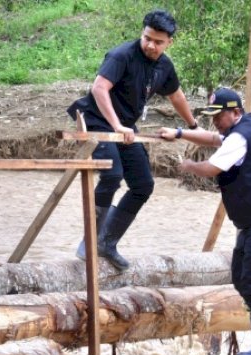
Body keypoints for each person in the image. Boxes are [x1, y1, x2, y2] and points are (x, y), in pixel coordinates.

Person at [159, 88, 251, 355]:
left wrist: (188, 166)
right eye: (212, 116)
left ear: (235, 112)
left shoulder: (240, 137)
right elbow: (214, 138)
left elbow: (212, 168)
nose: (215, 122)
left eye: (219, 116)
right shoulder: (250, 124)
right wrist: (180, 133)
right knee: (242, 278)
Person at [68, 10, 198, 270]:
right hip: (97, 120)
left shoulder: (164, 66)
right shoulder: (122, 55)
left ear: (169, 42)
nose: (150, 45)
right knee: (112, 174)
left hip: (127, 127)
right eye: (147, 38)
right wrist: (116, 125)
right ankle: (89, 242)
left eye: (158, 42)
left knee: (143, 185)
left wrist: (192, 125)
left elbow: (176, 97)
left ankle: (107, 242)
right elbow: (99, 88)